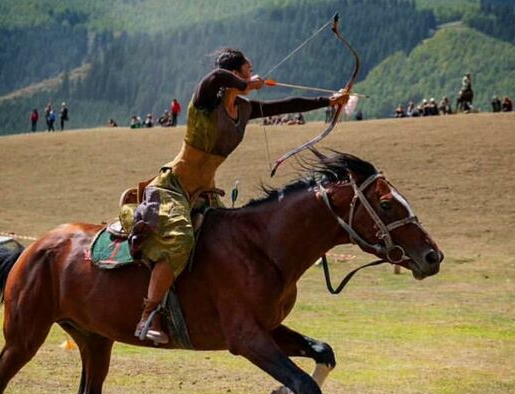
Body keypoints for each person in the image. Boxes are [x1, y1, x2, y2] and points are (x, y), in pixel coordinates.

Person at [126, 47, 349, 343]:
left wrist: (328, 101)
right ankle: (149, 315)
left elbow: (286, 105)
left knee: (228, 245)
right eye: (247, 69)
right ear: (235, 73)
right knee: (179, 240)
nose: (252, 72)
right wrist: (245, 84)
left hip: (205, 192)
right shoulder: (206, 100)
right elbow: (215, 77)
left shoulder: (243, 110)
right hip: (172, 187)